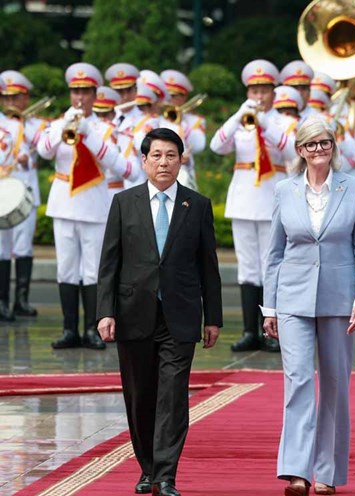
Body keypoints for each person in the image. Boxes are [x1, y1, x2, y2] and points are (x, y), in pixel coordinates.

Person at [96, 127, 223, 496]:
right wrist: (106, 311)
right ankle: (147, 468)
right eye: (157, 156)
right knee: (140, 395)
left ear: (181, 160)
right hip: (133, 313)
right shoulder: (124, 202)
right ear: (144, 161)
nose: (164, 162)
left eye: (171, 155)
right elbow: (109, 262)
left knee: (172, 396)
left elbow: (208, 266)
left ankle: (166, 475)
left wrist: (212, 317)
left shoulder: (197, 205)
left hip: (180, 316)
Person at [261, 116, 355, 496]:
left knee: (334, 385)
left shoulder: (354, 188)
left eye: (325, 143)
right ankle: (296, 472)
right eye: (311, 145)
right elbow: (274, 253)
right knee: (297, 382)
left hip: (340, 300)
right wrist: (269, 308)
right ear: (299, 150)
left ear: (333, 147)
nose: (318, 151)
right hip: (292, 298)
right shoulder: (284, 190)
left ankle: (326, 473)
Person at [38, 62, 131, 350]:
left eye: (85, 92)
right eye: (75, 92)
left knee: (92, 270)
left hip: (93, 204)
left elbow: (120, 166)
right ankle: (69, 329)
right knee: (66, 268)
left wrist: (88, 133)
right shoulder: (57, 124)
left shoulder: (105, 128)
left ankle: (93, 328)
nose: (79, 97)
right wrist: (64, 127)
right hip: (64, 202)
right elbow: (43, 150)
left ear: (94, 94)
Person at [210, 59, 296, 353]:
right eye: (254, 89)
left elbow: (289, 149)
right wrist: (238, 116)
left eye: (264, 90)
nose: (259, 95)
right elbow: (217, 146)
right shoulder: (242, 121)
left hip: (273, 199)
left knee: (272, 267)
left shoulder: (283, 122)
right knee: (248, 269)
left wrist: (265, 125)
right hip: (245, 200)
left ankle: (273, 331)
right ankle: (250, 331)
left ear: (274, 92)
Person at [0, 72, 34, 321]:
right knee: (1, 249)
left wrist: (25, 159)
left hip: (21, 190)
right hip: (2, 193)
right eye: (6, 97)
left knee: (23, 246)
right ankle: (2, 302)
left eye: (14, 97)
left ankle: (20, 301)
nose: (9, 102)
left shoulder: (23, 125)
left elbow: (33, 153)